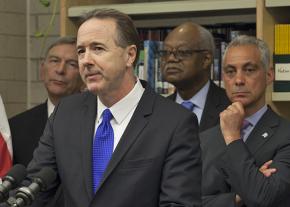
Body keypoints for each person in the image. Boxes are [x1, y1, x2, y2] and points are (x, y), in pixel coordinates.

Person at [26, 8, 202, 207]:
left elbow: (178, 203)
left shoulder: (175, 123)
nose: (86, 60)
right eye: (81, 51)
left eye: (98, 48)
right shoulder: (66, 113)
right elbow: (35, 191)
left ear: (130, 55)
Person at [200, 35, 290, 207]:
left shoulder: (286, 135)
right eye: (230, 71)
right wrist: (237, 198)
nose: (239, 80)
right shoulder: (203, 139)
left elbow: (264, 197)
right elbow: (183, 202)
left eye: (249, 70)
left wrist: (233, 137)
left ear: (269, 75)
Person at [9, 36, 83, 167]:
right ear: (42, 70)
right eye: (55, 61)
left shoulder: (98, 121)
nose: (60, 70)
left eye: (72, 64)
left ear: (84, 75)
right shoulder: (16, 128)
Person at [160, 22, 230, 132]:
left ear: (206, 59)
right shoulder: (158, 110)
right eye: (166, 52)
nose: (170, 59)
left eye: (182, 52)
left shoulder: (230, 107)